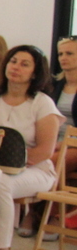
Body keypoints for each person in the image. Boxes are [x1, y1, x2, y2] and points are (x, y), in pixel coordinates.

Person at [0, 45, 62, 250]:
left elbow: (45, 151)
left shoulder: (42, 103)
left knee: (1, 183)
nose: (16, 67)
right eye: (13, 61)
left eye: (25, 64)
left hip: (36, 169)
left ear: (35, 73)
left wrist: (11, 165)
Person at [52, 36, 77, 173]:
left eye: (69, 53)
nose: (63, 58)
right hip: (54, 142)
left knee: (48, 164)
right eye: (60, 54)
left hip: (74, 145)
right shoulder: (54, 86)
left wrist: (64, 143)